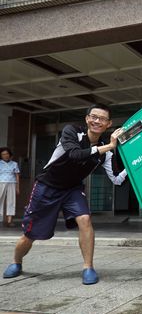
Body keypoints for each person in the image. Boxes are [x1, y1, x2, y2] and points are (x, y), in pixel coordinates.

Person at [3, 104, 127, 285]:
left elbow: (116, 179)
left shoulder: (105, 152)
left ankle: (88, 267)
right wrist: (109, 146)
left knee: (84, 219)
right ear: (87, 119)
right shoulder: (72, 132)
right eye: (94, 117)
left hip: (72, 189)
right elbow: (75, 154)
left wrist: (136, 167)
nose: (97, 121)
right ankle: (16, 262)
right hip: (47, 186)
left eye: (102, 119)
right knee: (30, 233)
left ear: (108, 124)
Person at [0, 147, 20, 228]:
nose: (5, 156)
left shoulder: (14, 164)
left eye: (7, 154)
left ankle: (9, 220)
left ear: (10, 154)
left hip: (12, 183)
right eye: (3, 154)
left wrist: (17, 187)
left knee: (11, 201)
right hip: (1, 183)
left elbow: (17, 176)